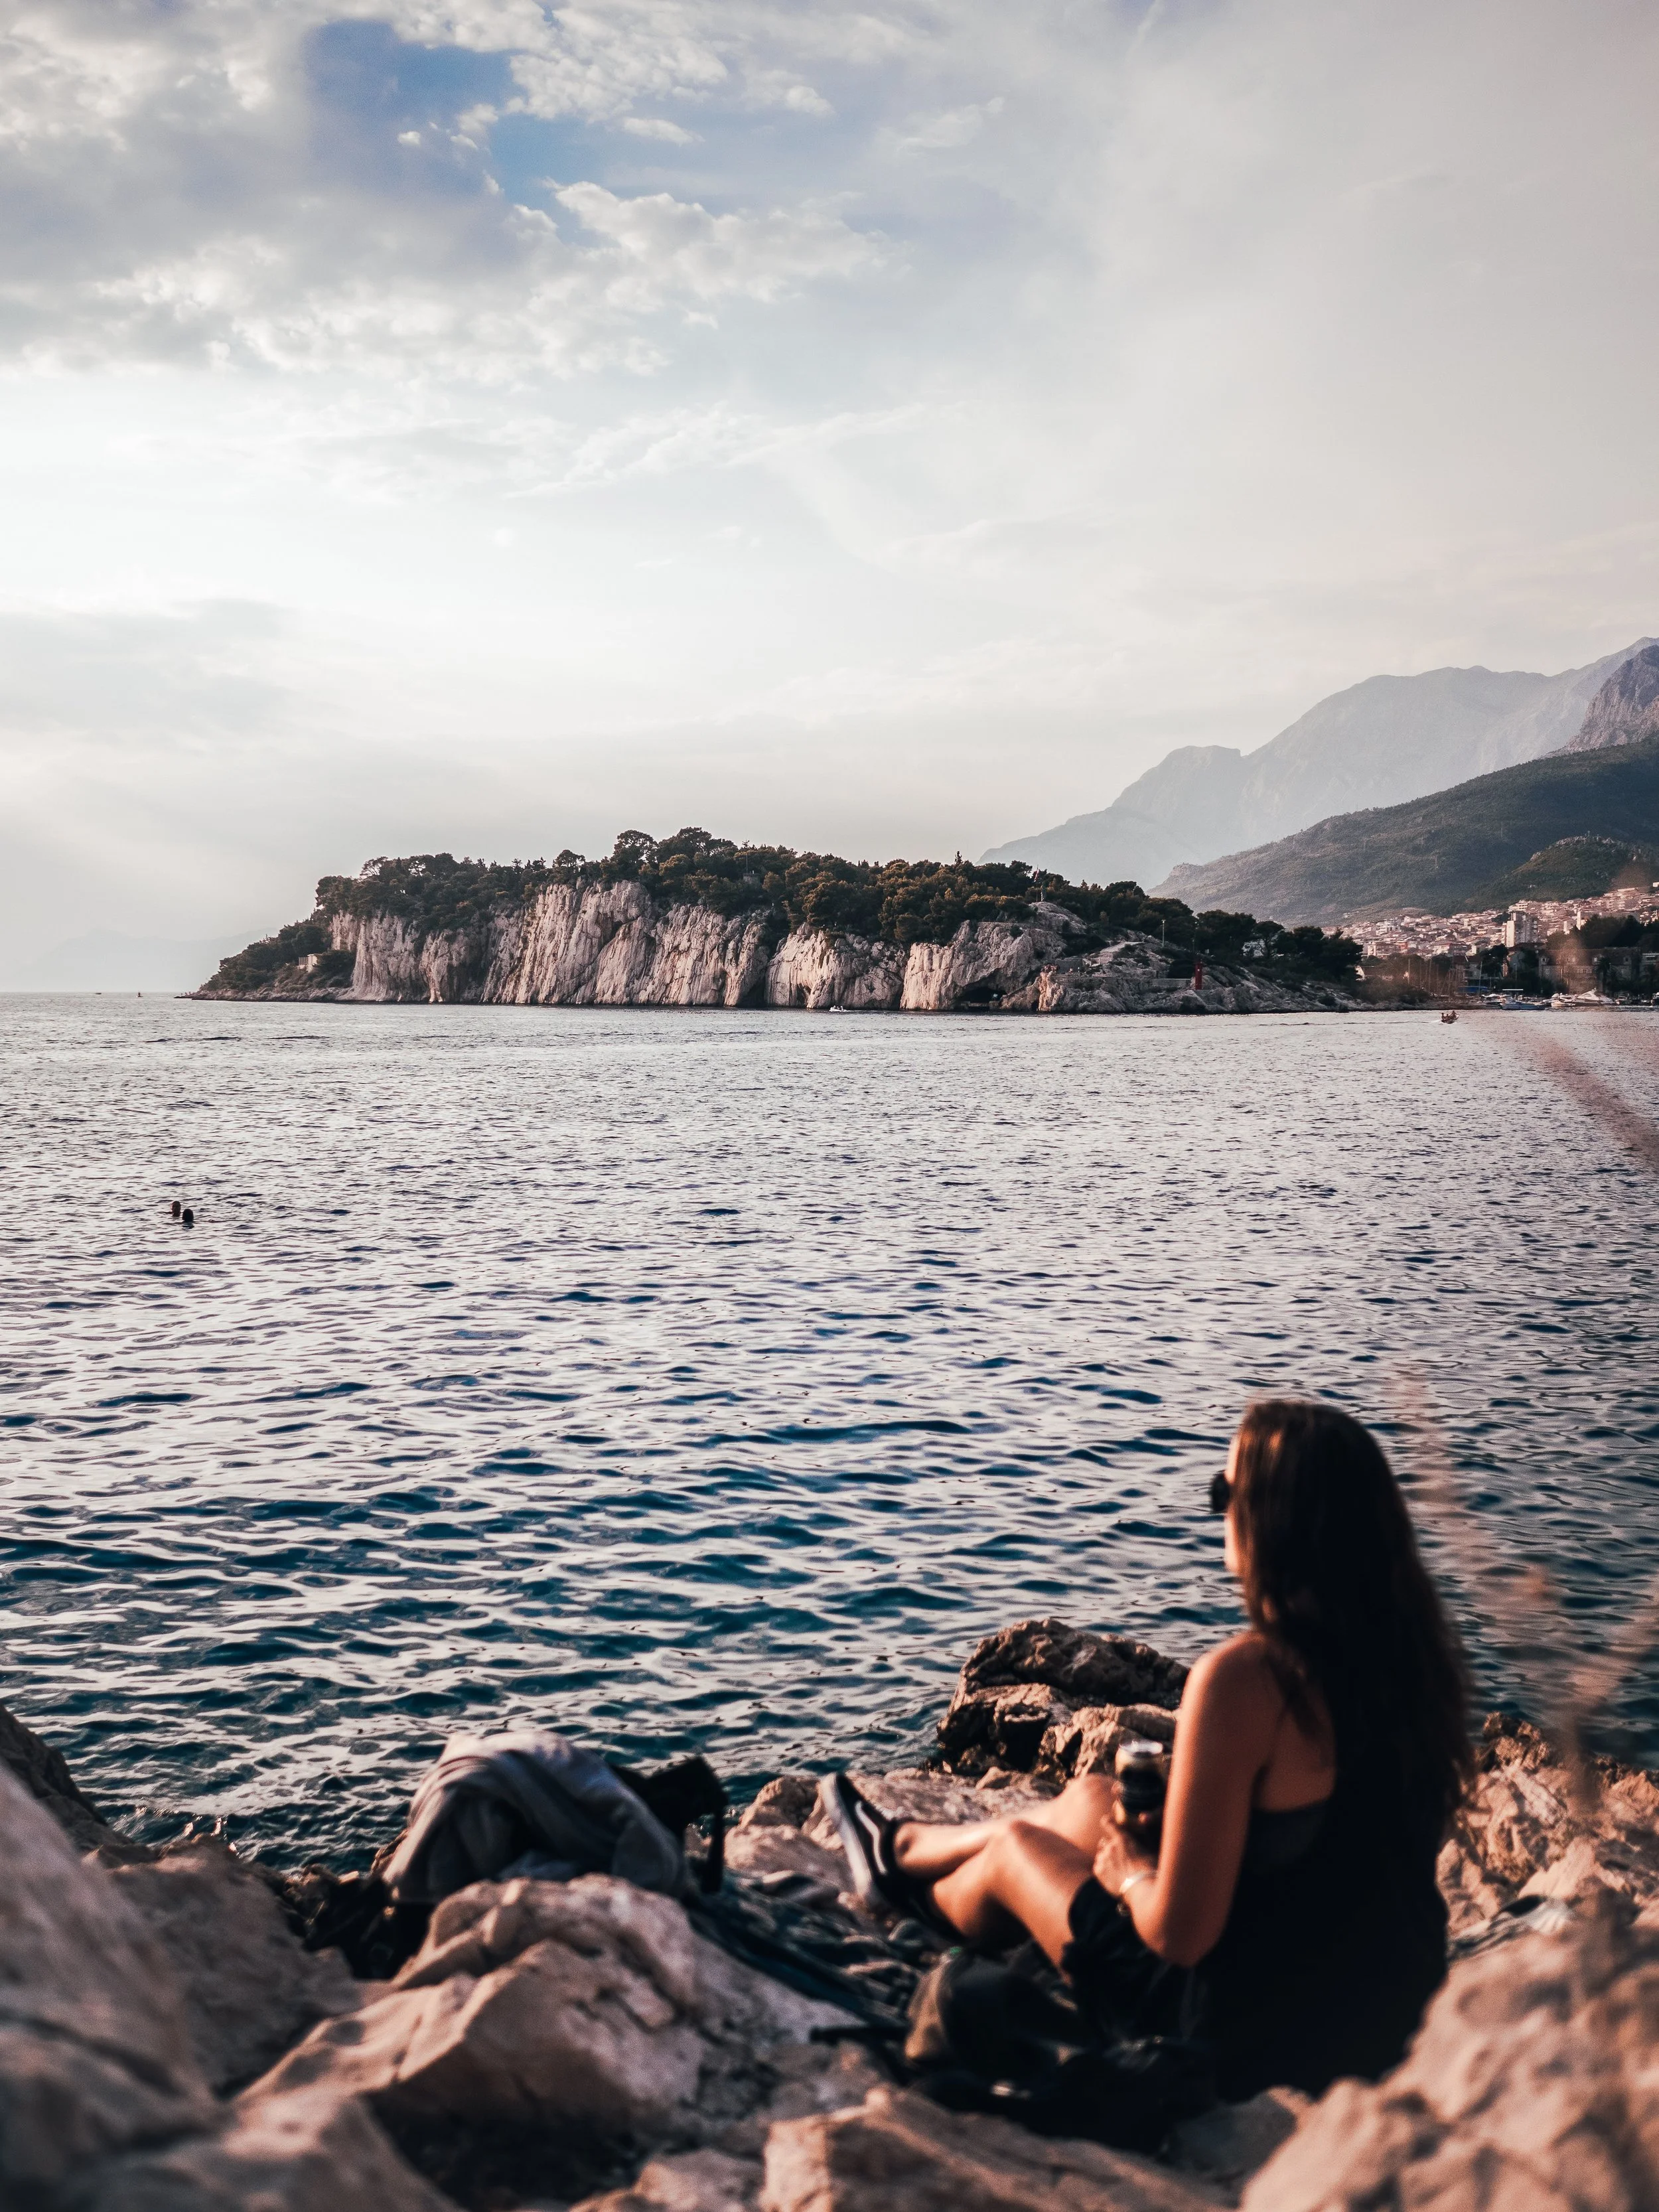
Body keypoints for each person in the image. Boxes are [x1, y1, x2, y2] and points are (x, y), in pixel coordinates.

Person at [821, 1398, 1473, 2099]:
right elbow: (1345, 1853)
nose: (1218, 1508)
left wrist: (1132, 1874)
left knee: (1017, 1848)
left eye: (1224, 1492)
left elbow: (1181, 1937)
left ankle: (912, 1889)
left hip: (1242, 2034)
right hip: (1384, 2007)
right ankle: (904, 1848)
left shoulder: (1251, 1679)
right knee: (1093, 1799)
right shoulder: (1415, 1664)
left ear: (1273, 1519)